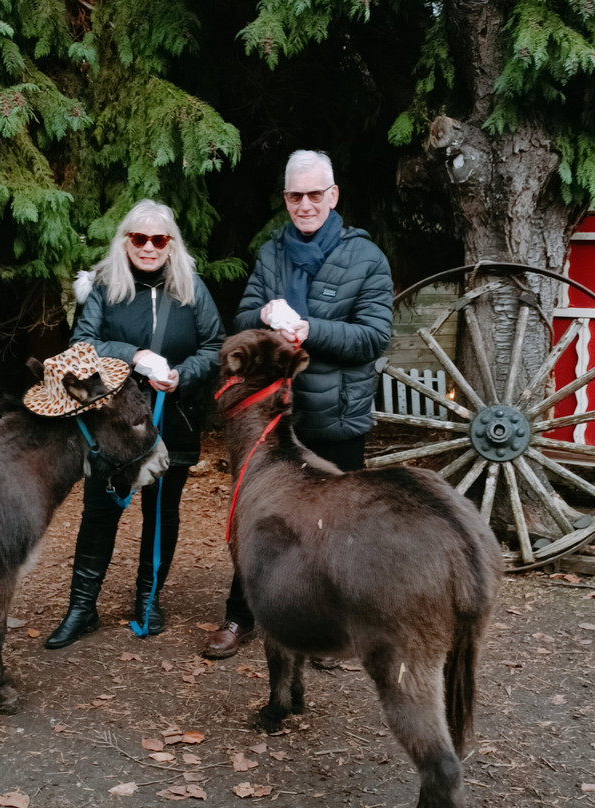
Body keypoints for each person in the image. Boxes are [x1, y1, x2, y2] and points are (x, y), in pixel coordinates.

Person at [201, 149, 394, 660]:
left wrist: (312, 330)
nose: (305, 204)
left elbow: (373, 337)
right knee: (257, 517)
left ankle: (327, 630)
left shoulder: (366, 259)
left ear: (333, 196)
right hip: (273, 419)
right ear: (285, 198)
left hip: (336, 417)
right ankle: (241, 616)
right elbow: (243, 317)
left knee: (333, 529)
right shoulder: (272, 254)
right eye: (295, 195)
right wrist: (264, 313)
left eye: (314, 194)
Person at [46, 199, 225, 649]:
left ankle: (149, 598)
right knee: (99, 511)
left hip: (173, 417)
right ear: (126, 241)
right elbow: (82, 345)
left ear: (171, 244)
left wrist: (183, 375)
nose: (148, 247)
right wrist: (135, 357)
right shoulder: (106, 286)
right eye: (139, 238)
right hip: (113, 423)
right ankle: (82, 608)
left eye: (158, 239)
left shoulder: (191, 288)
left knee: (161, 512)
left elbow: (215, 345)